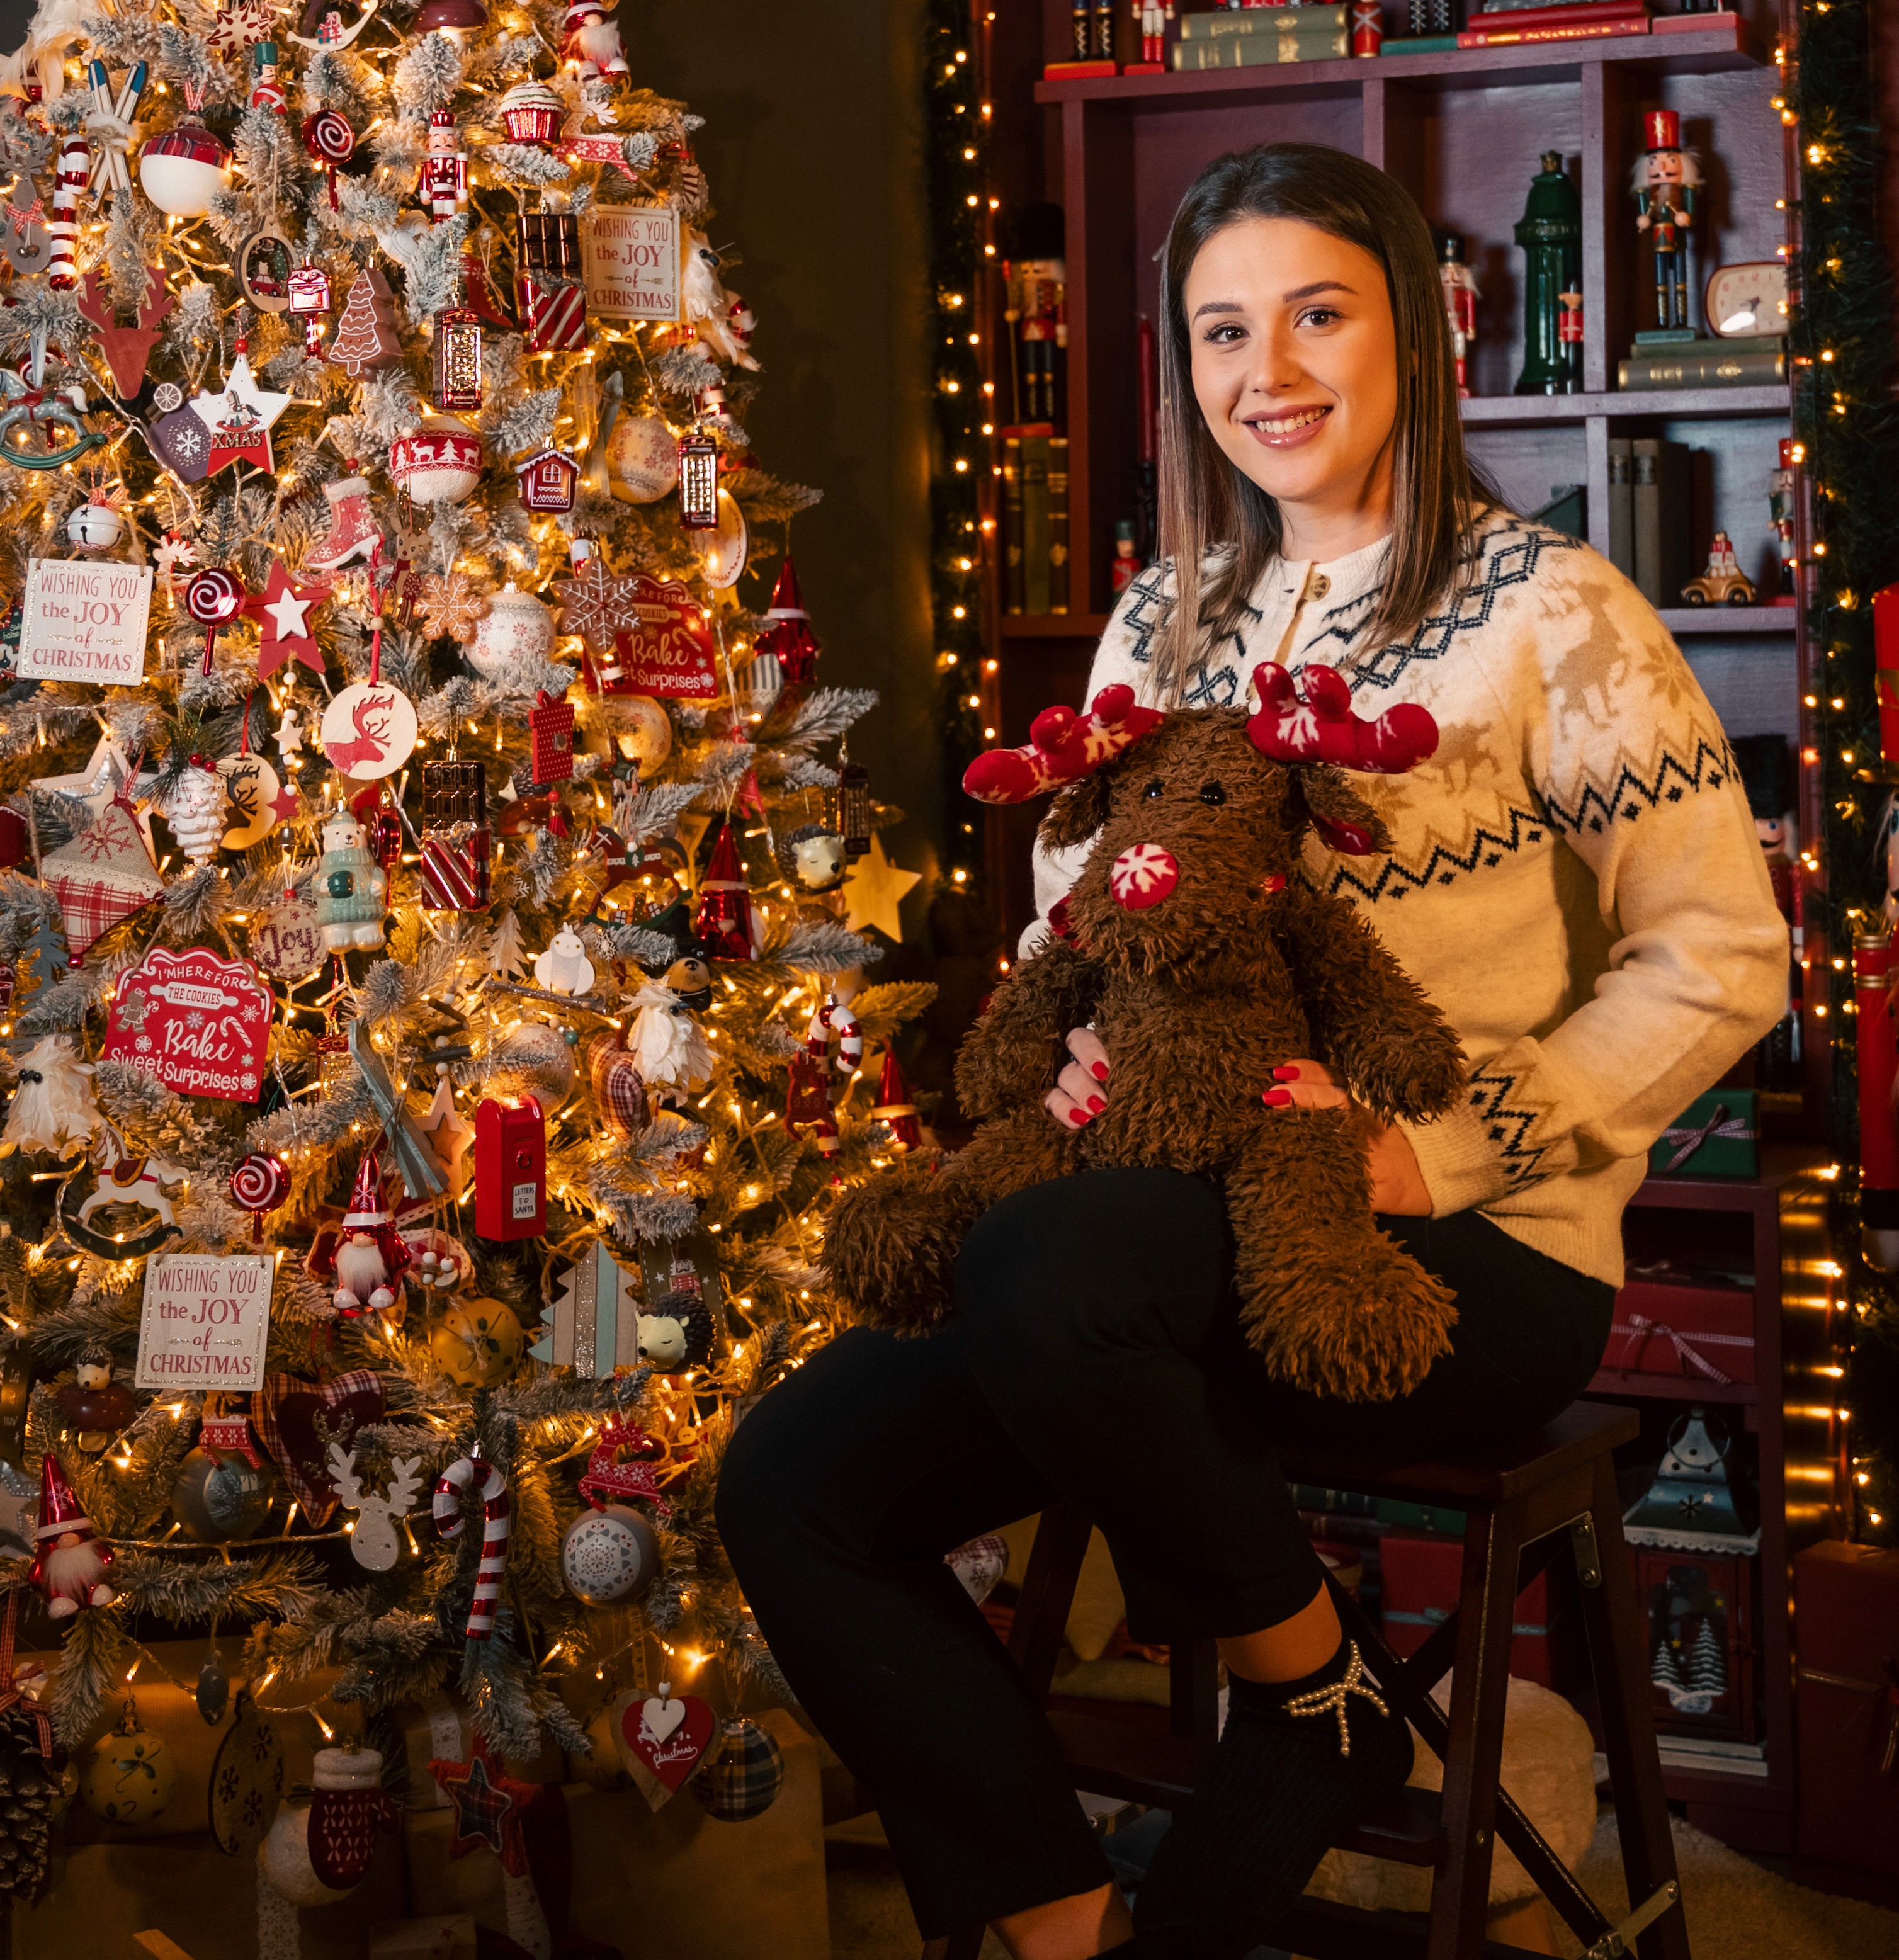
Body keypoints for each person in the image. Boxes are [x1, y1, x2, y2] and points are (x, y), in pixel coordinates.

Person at [717, 142, 1787, 1959]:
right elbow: (1081, 922)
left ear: (1413, 339)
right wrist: (1062, 1055)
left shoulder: (1551, 614)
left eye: (1315, 314)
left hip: (1459, 1256)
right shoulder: (1161, 619)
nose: (1266, 372)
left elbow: (1722, 958)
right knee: (791, 1480)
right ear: (1180, 364)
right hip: (1144, 1249)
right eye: (1223, 330)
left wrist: (1426, 1153)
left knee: (1044, 1266)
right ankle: (1068, 1918)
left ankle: (1306, 1699)